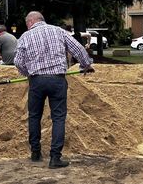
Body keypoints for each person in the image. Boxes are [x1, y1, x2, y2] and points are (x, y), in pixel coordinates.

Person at [14, 11, 94, 169]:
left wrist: (28, 73)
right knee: (58, 118)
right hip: (57, 80)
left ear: (30, 22)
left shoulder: (25, 36)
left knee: (34, 116)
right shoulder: (58, 31)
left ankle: (36, 152)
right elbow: (78, 48)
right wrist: (86, 64)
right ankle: (55, 157)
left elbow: (17, 61)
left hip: (36, 81)